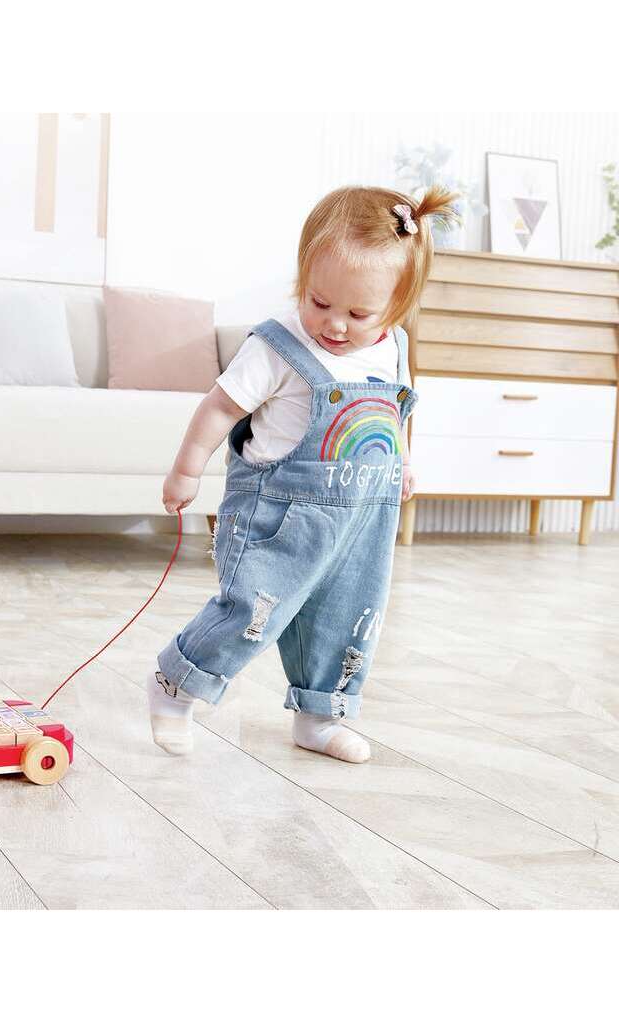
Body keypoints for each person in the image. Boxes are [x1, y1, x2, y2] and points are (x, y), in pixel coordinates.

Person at [149, 184, 460, 762]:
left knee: (347, 617)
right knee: (251, 611)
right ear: (302, 280)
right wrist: (186, 471)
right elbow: (220, 407)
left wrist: (403, 462)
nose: (335, 325)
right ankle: (175, 683)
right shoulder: (277, 346)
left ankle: (320, 716)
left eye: (358, 313)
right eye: (319, 302)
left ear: (396, 308)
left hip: (362, 520)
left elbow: (395, 411)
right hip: (278, 515)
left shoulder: (392, 347)